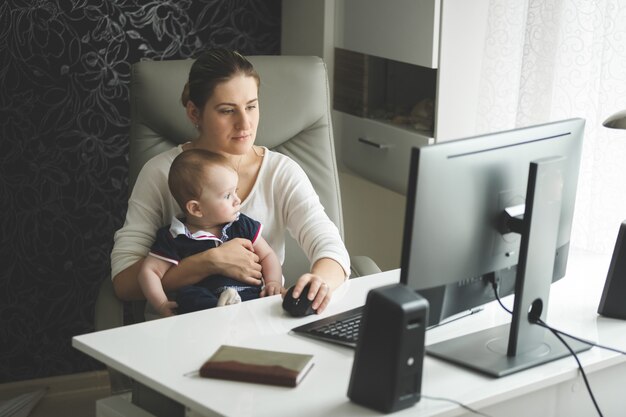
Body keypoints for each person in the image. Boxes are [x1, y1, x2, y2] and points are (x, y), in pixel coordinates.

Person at [111, 48, 350, 315]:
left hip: (259, 323)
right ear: (194, 113)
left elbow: (331, 249)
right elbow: (124, 282)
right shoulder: (160, 173)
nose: (244, 123)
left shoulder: (280, 173)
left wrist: (319, 281)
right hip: (180, 328)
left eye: (251, 106)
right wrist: (207, 263)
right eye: (227, 111)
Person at [138, 149, 283, 317]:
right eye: (228, 195)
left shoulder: (241, 224)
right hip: (204, 311)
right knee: (189, 297)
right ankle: (221, 307)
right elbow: (149, 272)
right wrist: (161, 303)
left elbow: (267, 255)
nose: (238, 200)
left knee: (260, 300)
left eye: (236, 191)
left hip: (248, 298)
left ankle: (231, 304)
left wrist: (273, 282)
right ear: (196, 208)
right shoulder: (175, 236)